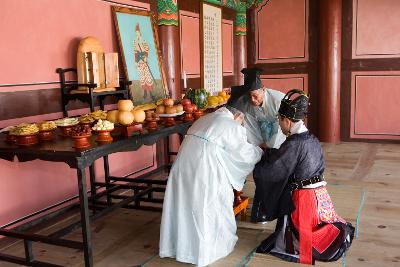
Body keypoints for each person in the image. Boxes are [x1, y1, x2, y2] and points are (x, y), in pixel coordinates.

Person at [251, 89, 354, 264]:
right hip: (321, 197)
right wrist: (271, 153)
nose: (279, 125)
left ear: (287, 120)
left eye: (279, 120)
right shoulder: (311, 138)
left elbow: (273, 170)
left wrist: (259, 161)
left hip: (305, 201)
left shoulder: (294, 143)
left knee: (296, 236)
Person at [159, 106, 263, 267]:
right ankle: (203, 251)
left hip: (182, 164)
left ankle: (180, 247)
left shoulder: (205, 118)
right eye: (242, 121)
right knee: (207, 205)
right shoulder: (231, 125)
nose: (242, 125)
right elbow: (244, 153)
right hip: (204, 167)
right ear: (238, 116)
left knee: (183, 204)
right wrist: (259, 152)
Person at [228, 67, 286, 149]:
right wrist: (258, 148)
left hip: (280, 135)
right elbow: (251, 127)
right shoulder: (248, 102)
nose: (252, 99)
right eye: (249, 95)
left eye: (255, 96)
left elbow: (283, 128)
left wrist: (268, 145)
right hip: (262, 134)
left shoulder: (279, 100)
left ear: (263, 89)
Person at [133, 23, 155, 101]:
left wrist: (145, 57)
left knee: (148, 77)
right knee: (142, 78)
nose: (137, 34)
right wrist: (136, 62)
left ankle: (151, 94)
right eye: (136, 33)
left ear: (140, 33)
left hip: (144, 61)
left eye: (138, 33)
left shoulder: (143, 41)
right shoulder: (135, 42)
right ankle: (145, 93)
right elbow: (135, 52)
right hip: (139, 62)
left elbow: (146, 49)